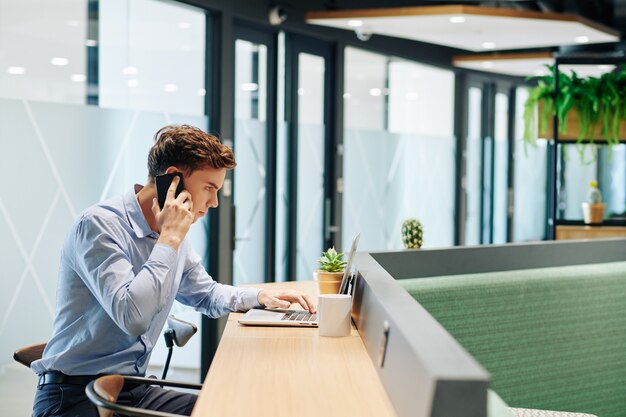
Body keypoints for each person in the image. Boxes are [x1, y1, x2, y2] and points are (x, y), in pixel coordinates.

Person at [31, 125, 316, 417]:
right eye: (209, 188)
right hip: (75, 397)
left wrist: (260, 297)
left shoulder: (173, 237)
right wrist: (168, 240)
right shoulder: (98, 227)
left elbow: (206, 293)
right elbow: (133, 317)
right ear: (173, 181)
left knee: (229, 408)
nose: (214, 202)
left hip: (131, 389)